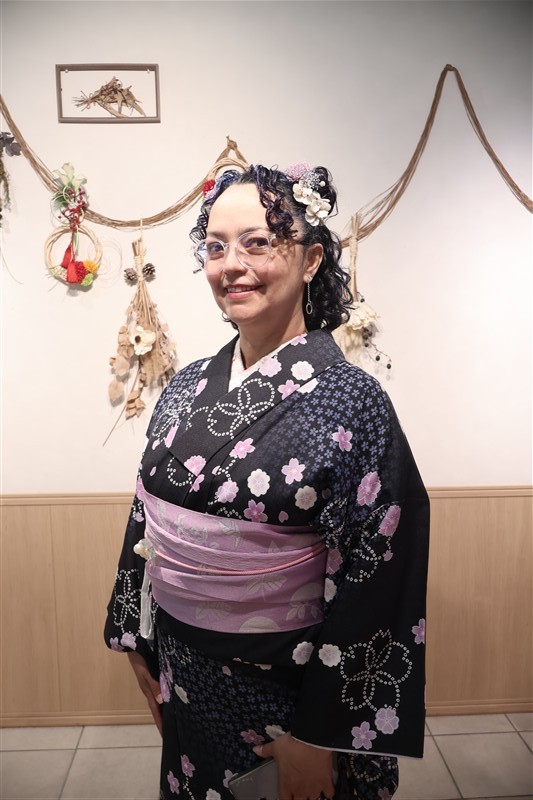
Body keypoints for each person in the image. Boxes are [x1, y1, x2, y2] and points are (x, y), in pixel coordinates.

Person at [104, 163, 430, 800]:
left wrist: (320, 735)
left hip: (290, 696)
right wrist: (135, 638)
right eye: (215, 247)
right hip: (184, 673)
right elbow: (146, 514)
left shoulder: (353, 401)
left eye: (257, 242)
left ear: (311, 260)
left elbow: (380, 576)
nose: (232, 265)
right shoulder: (187, 385)